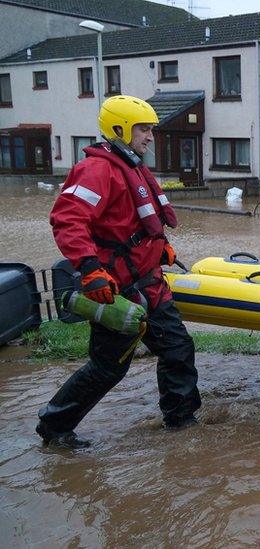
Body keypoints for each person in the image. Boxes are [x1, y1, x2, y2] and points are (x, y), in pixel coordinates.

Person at [37, 95, 200, 449]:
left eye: (151, 129)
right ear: (120, 129)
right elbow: (68, 219)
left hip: (150, 285)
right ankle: (54, 426)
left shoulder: (132, 166)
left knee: (178, 349)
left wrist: (161, 248)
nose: (149, 136)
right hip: (117, 289)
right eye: (143, 129)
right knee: (109, 367)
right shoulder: (98, 170)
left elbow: (137, 222)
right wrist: (90, 268)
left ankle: (181, 422)